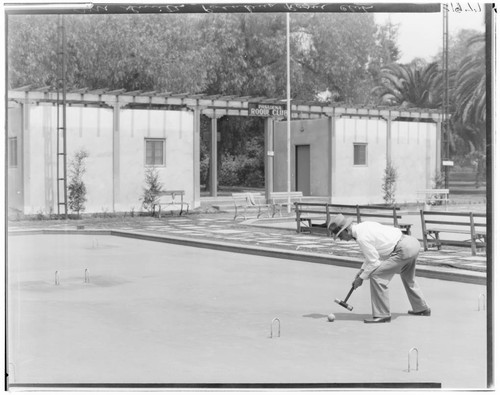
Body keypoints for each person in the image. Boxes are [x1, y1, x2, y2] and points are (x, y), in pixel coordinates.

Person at [328, 214, 431, 324]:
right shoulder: (364, 226)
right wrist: (362, 271)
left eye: (340, 235)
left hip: (403, 249)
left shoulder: (362, 238)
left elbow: (374, 262)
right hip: (412, 243)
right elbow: (372, 255)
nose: (341, 239)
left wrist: (361, 278)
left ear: (346, 230)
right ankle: (422, 309)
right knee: (408, 277)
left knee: (377, 276)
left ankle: (382, 315)